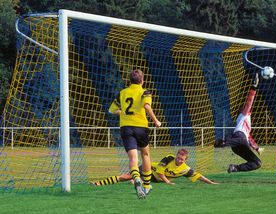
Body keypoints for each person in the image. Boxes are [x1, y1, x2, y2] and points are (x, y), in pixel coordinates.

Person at [108, 69, 161, 199]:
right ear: (142, 81)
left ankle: (136, 178)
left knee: (132, 158)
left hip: (126, 128)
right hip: (140, 127)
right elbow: (147, 106)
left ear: (130, 81)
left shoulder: (122, 93)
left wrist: (123, 114)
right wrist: (156, 121)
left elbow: (112, 110)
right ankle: (147, 186)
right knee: (145, 154)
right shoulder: (145, 92)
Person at [214, 73, 262, 173]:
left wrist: (256, 148)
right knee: (242, 140)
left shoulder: (246, 123)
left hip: (239, 145)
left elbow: (249, 137)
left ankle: (235, 168)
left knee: (257, 163)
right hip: (238, 139)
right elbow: (249, 102)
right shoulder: (244, 115)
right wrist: (254, 87)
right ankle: (223, 142)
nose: (248, 108)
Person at [91, 149, 218, 186]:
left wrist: (211, 182)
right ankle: (97, 184)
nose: (179, 160)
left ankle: (137, 180)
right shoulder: (169, 158)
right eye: (178, 157)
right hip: (150, 169)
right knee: (127, 176)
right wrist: (168, 182)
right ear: (176, 156)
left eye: (181, 159)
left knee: (135, 180)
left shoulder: (185, 169)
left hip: (155, 179)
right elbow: (161, 173)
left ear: (185, 160)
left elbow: (198, 176)